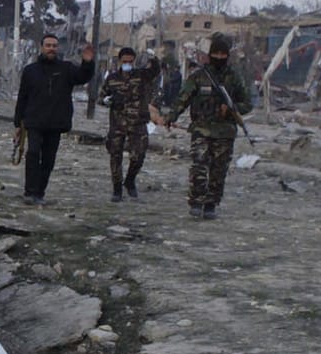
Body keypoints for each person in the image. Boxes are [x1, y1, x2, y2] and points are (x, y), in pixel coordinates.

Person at [163, 34, 252, 219]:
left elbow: (247, 104)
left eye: (223, 54)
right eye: (216, 53)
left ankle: (211, 204)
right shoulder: (199, 76)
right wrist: (171, 117)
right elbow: (183, 99)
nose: (219, 57)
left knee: (219, 170)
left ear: (227, 55)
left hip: (225, 132)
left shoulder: (234, 77)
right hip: (201, 129)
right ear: (210, 55)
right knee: (199, 166)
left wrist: (231, 109)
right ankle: (196, 201)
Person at [13, 34, 96, 205]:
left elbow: (82, 77)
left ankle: (39, 193)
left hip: (56, 122)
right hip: (34, 122)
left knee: (48, 160)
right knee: (33, 154)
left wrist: (87, 63)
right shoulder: (31, 71)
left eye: (54, 46)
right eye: (48, 45)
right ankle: (29, 192)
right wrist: (18, 123)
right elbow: (23, 97)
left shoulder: (66, 69)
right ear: (41, 47)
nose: (51, 48)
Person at [101, 46, 161, 201]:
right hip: (117, 123)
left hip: (137, 122)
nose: (127, 64)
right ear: (120, 61)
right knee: (115, 156)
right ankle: (117, 188)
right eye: (124, 61)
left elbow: (155, 71)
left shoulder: (141, 75)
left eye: (130, 61)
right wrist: (106, 100)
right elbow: (102, 95)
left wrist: (152, 57)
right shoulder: (112, 78)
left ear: (134, 61)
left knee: (138, 155)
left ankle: (129, 180)